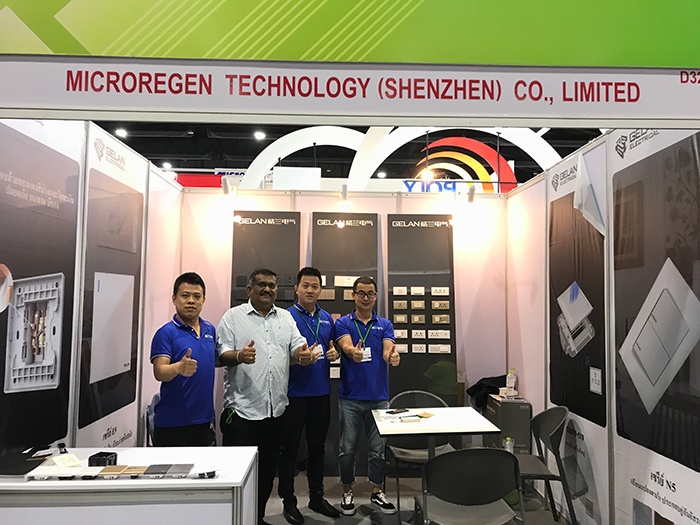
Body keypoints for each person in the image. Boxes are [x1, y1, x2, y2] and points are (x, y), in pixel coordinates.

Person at [217, 268, 315, 525]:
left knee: (266, 475)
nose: (267, 289)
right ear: (249, 289)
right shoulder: (233, 317)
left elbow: (297, 346)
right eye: (261, 284)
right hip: (242, 413)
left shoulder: (285, 317)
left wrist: (302, 355)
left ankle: (257, 518)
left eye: (272, 285)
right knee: (237, 475)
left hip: (276, 412)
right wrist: (239, 355)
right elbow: (221, 354)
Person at [278, 267, 341, 525]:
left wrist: (335, 354)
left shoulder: (327, 318)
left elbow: (333, 348)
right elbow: (277, 353)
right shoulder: (285, 317)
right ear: (296, 288)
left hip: (320, 394)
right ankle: (288, 502)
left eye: (315, 286)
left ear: (320, 290)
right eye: (305, 285)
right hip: (293, 394)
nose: (310, 290)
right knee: (289, 450)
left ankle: (316, 497)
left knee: (317, 448)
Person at [335, 276, 400, 516]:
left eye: (370, 293)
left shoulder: (385, 324)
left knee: (378, 450)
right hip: (350, 398)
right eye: (361, 293)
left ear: (376, 296)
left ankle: (377, 491)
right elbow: (346, 346)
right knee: (347, 449)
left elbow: (387, 349)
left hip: (379, 399)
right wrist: (352, 352)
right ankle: (347, 491)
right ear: (353, 295)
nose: (366, 297)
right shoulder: (344, 322)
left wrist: (392, 357)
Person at [149, 272, 216, 446]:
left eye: (197, 296)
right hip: (172, 424)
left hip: (204, 421)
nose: (191, 301)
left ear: (204, 299)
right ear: (174, 298)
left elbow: (213, 361)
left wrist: (239, 355)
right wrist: (178, 368)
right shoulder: (165, 333)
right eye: (185, 295)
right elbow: (159, 371)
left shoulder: (210, 329)